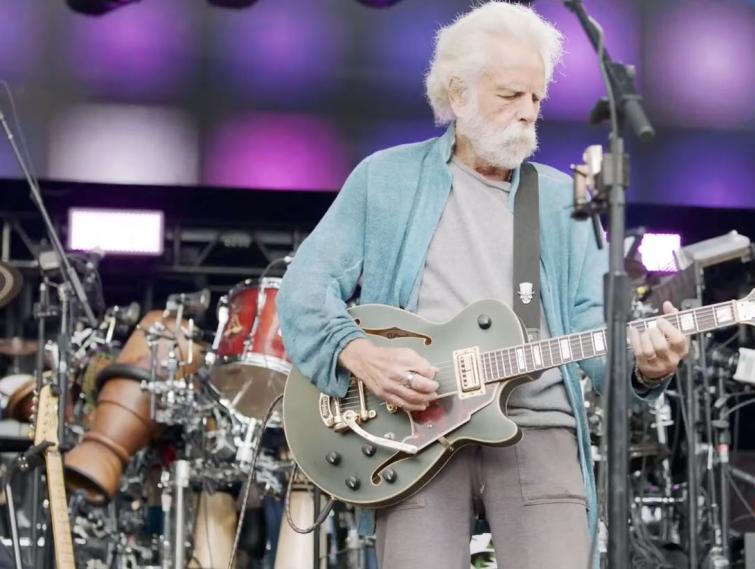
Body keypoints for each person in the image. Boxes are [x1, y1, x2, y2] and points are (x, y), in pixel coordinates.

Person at [277, 2, 690, 567]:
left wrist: (648, 367)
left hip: (537, 426)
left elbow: (596, 330)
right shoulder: (385, 178)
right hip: (412, 429)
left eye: (537, 99)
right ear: (457, 93)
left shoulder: (560, 196)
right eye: (510, 95)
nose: (529, 113)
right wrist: (358, 353)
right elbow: (304, 286)